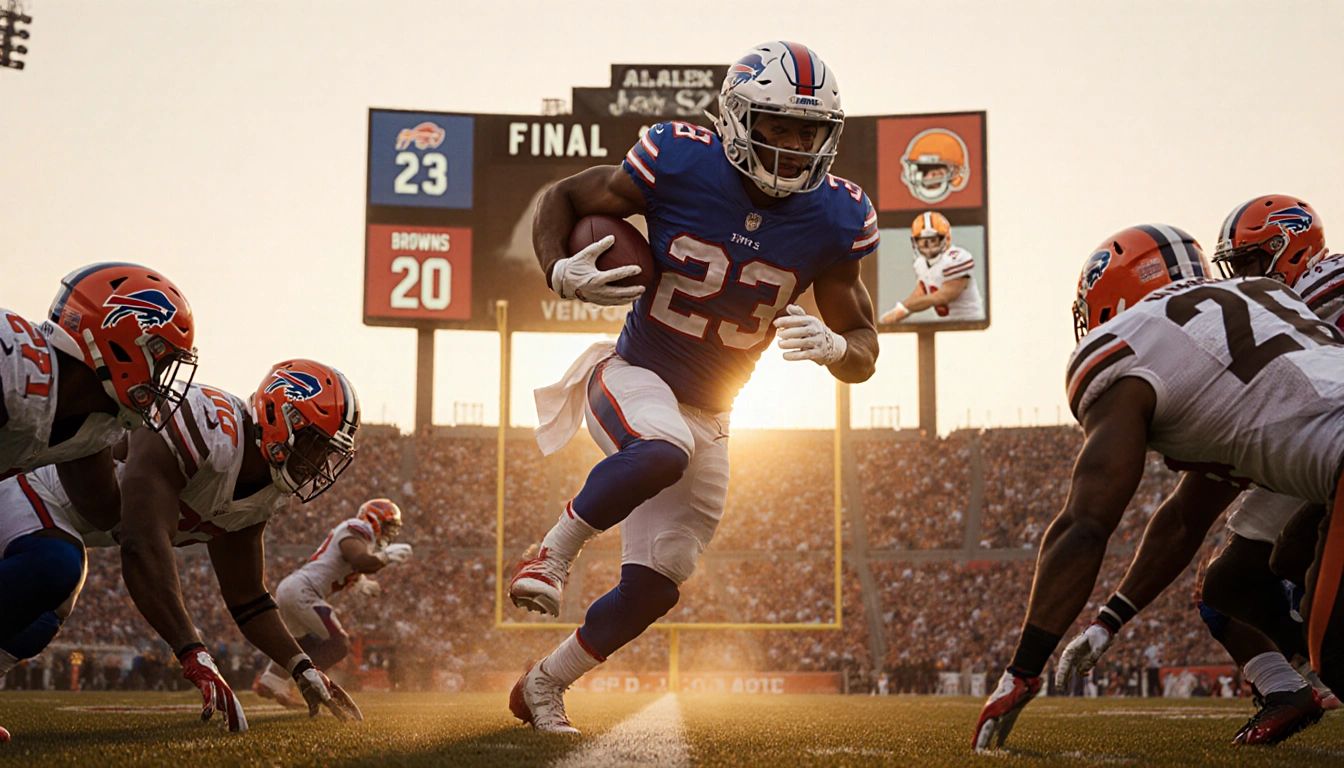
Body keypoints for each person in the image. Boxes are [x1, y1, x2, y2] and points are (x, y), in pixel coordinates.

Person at [508, 41, 880, 733]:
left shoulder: (836, 217)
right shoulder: (680, 159)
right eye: (780, 126)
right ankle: (550, 554)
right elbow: (564, 197)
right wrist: (557, 269)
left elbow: (864, 348)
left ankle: (541, 685)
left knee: (660, 579)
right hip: (633, 373)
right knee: (660, 447)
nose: (796, 146)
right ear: (739, 119)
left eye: (810, 131)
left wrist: (836, 348)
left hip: (716, 411)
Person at [971, 223, 1344, 751]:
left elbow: (1086, 523)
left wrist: (1023, 669)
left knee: (1334, 646)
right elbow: (1186, 516)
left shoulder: (1128, 342)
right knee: (1251, 572)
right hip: (1331, 470)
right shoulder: (1267, 293)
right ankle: (1288, 687)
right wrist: (1109, 620)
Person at [0, 360, 364, 732]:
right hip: (30, 485)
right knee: (57, 565)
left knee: (51, 609)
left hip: (61, 522)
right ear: (278, 417)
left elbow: (248, 598)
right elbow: (140, 544)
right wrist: (194, 654)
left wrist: (301, 667)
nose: (318, 464)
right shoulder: (206, 426)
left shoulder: (263, 489)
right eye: (315, 445)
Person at [0, 263, 196, 741]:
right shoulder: (15, 366)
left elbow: (107, 513)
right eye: (160, 359)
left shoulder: (93, 421)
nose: (162, 380)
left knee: (60, 566)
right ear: (119, 342)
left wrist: (170, 508)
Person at [254, 498, 413, 706]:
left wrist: (360, 580)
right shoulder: (358, 528)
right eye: (388, 526)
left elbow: (349, 566)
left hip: (293, 589)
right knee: (339, 644)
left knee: (303, 642)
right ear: (374, 519)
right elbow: (359, 560)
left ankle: (272, 680)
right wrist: (383, 558)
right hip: (304, 591)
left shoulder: (359, 537)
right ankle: (304, 682)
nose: (390, 533)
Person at [880, 212, 983, 323]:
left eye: (933, 241)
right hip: (945, 326)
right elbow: (920, 294)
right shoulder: (921, 264)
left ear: (946, 238)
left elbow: (942, 297)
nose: (928, 247)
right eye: (923, 242)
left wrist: (907, 306)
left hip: (970, 324)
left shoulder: (957, 258)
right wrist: (894, 315)